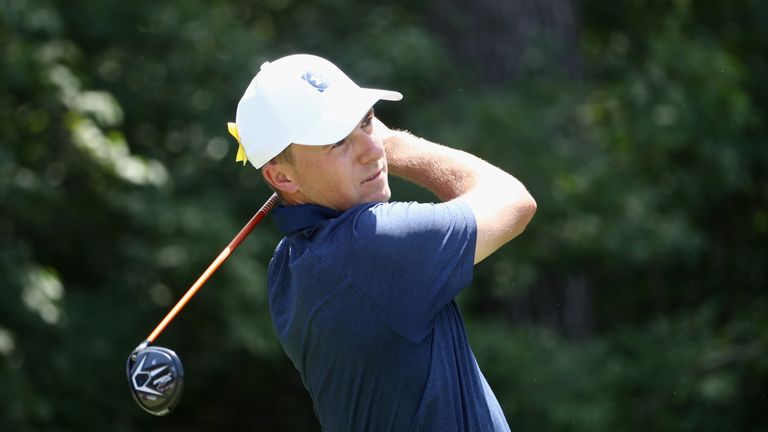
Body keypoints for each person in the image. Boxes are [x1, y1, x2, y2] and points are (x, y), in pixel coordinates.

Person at [227, 54, 536, 431]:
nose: (373, 149)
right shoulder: (371, 244)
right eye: (338, 141)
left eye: (368, 121)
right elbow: (513, 201)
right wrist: (395, 142)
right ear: (282, 177)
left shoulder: (287, 266)